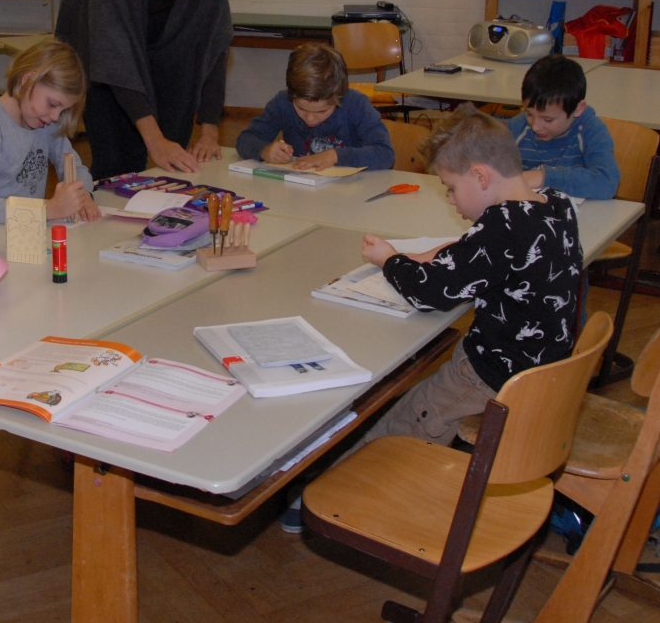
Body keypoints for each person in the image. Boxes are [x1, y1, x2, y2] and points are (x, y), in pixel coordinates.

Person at [281, 104, 581, 533]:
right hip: (543, 372)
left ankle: (321, 496)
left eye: (451, 188)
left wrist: (390, 260)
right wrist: (433, 255)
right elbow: (478, 252)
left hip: (488, 378)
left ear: (481, 176)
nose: (451, 200)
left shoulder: (501, 226)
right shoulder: (555, 205)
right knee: (406, 397)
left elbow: (430, 293)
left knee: (398, 424)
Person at [55, 0, 233, 180]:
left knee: (167, 156)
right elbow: (114, 55)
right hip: (99, 54)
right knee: (117, 161)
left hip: (162, 53)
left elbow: (214, 47)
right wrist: (155, 140)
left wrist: (209, 133)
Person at [0, 39, 100, 235]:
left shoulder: (44, 120)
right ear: (27, 81)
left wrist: (83, 195)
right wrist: (48, 209)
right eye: (52, 104)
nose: (55, 117)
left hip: (27, 232)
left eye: (62, 110)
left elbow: (76, 168)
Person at [235, 43, 395, 171]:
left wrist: (336, 156)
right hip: (300, 190)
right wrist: (264, 150)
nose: (310, 118)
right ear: (291, 95)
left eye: (322, 111)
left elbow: (385, 154)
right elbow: (245, 139)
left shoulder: (356, 105)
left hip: (349, 192)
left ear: (338, 97)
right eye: (301, 108)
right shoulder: (283, 103)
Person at [507, 54, 620, 199]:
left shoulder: (591, 130)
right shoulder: (517, 128)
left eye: (547, 119)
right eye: (529, 114)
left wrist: (543, 177)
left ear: (578, 109)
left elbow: (607, 183)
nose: (535, 127)